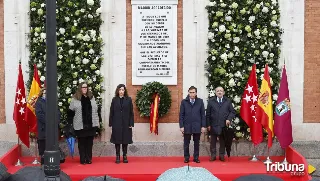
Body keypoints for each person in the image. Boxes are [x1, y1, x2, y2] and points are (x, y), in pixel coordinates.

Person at [68, 82, 99, 165]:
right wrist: (70, 123)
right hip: (80, 125)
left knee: (89, 143)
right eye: (83, 87)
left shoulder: (92, 97)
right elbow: (70, 112)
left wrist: (97, 122)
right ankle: (83, 159)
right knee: (81, 143)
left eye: (86, 87)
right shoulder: (75, 98)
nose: (84, 89)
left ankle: (89, 158)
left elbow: (96, 110)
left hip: (91, 125)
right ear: (80, 88)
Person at [206, 86, 236, 161]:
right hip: (213, 124)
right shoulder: (211, 101)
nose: (219, 92)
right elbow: (208, 114)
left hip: (223, 125)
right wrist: (208, 124)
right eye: (218, 91)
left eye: (221, 91)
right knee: (213, 141)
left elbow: (232, 112)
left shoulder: (227, 101)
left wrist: (229, 119)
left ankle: (221, 155)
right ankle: (213, 155)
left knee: (222, 141)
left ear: (223, 92)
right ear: (215, 92)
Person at [179, 86, 206, 163]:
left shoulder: (200, 101)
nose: (192, 94)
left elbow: (203, 115)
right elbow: (181, 115)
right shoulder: (184, 102)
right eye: (190, 92)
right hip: (187, 126)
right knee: (186, 143)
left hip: (197, 125)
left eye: (193, 92)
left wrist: (203, 126)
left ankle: (196, 157)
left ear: (196, 93)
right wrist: (181, 126)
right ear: (188, 93)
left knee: (196, 143)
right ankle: (186, 157)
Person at [109, 84, 134, 164]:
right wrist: (111, 123)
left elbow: (131, 113)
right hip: (116, 123)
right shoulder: (114, 100)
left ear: (125, 91)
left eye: (123, 90)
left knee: (125, 140)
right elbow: (111, 112)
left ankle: (125, 155)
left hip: (126, 123)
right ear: (118, 91)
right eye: (120, 90)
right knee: (117, 140)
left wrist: (131, 123)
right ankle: (117, 156)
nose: (121, 92)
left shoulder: (129, 100)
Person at [35, 88, 61, 165]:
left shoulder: (53, 101)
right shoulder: (39, 102)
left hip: (53, 129)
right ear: (42, 93)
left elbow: (58, 113)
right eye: (44, 93)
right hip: (43, 129)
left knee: (52, 147)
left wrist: (55, 121)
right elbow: (39, 114)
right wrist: (49, 122)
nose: (46, 94)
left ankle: (53, 163)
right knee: (43, 148)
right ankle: (44, 164)